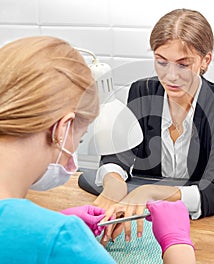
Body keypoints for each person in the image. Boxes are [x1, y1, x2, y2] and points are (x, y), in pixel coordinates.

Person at [0, 36, 196, 264]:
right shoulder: (62, 238)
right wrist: (177, 242)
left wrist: (49, 223)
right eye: (80, 139)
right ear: (62, 129)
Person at [89, 8, 214, 243]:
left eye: (183, 64)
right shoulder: (142, 91)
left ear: (205, 60)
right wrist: (113, 184)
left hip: (193, 225)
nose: (170, 76)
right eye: (161, 62)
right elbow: (119, 155)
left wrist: (150, 192)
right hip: (140, 219)